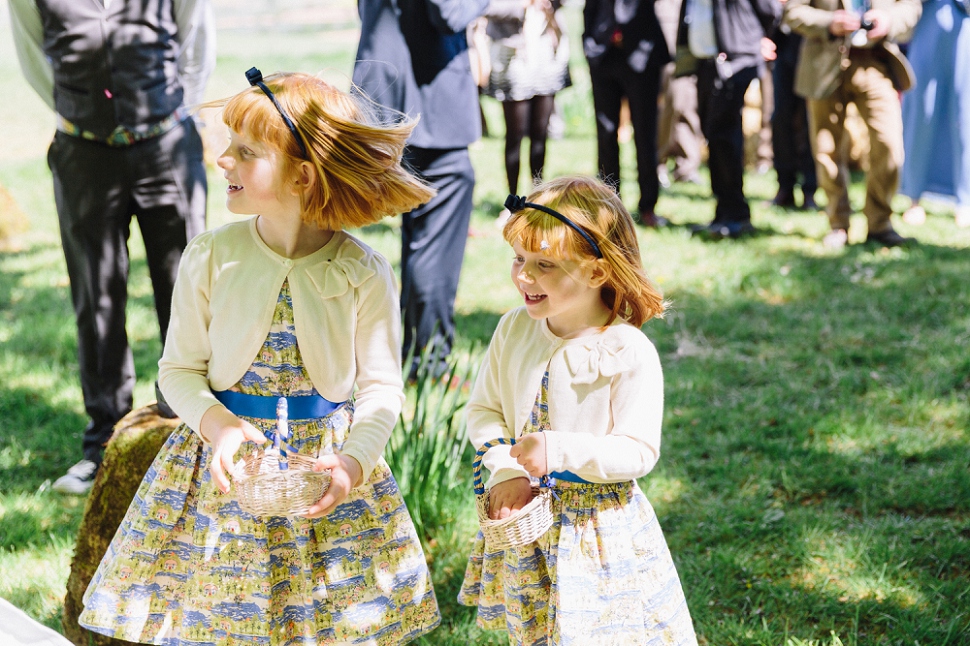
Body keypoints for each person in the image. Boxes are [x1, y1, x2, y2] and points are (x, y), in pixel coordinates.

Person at [77, 70, 441, 645]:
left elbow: (381, 389)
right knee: (221, 617)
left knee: (325, 621)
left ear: (302, 174)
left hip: (322, 474)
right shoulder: (211, 256)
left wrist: (353, 463)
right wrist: (219, 428)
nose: (223, 161)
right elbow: (178, 371)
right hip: (225, 476)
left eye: (246, 152)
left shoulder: (362, 271)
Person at [458, 175, 697, 645]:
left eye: (544, 264)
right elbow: (484, 410)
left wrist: (559, 451)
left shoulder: (626, 350)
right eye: (519, 260)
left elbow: (638, 451)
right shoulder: (514, 329)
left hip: (595, 528)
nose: (524, 276)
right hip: (527, 516)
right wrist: (505, 468)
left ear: (596, 271)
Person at [8, 0, 213, 494]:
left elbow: (195, 41)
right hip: (83, 151)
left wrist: (175, 111)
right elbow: (36, 57)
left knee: (188, 292)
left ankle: (191, 432)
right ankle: (103, 446)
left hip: (165, 144)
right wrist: (77, 109)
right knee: (95, 298)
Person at [353, 0, 489, 380]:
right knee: (434, 248)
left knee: (419, 243)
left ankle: (408, 354)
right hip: (430, 105)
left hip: (386, 99)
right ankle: (429, 365)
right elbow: (449, 12)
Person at [784, 0, 922, 248]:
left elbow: (911, 6)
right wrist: (829, 23)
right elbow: (793, 11)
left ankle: (879, 223)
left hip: (876, 61)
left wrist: (889, 20)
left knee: (889, 146)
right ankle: (838, 224)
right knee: (827, 150)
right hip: (824, 63)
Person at [674, 0, 782, 240]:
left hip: (735, 61)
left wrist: (755, 40)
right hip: (704, 62)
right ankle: (723, 213)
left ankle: (737, 215)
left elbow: (770, 10)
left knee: (724, 135)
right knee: (713, 135)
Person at [583, 0, 672, 228]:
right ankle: (609, 205)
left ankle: (648, 206)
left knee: (645, 134)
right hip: (603, 53)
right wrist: (589, 42)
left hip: (640, 54)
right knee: (606, 134)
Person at [483, 0, 572, 196]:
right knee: (515, 135)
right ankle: (512, 201)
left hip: (546, 52)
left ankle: (536, 197)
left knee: (540, 134)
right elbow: (486, 6)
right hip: (513, 55)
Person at [899, 0, 970, 229]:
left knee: (965, 112)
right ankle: (913, 197)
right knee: (922, 111)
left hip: (965, 24)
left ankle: (965, 199)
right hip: (927, 21)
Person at [768, 15, 819, 211]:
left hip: (813, 46)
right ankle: (785, 186)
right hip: (784, 44)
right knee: (781, 117)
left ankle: (810, 189)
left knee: (810, 120)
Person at [655, 0, 704, 187]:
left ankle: (687, 164)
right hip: (669, 15)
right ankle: (659, 161)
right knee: (671, 94)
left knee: (689, 94)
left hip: (696, 14)